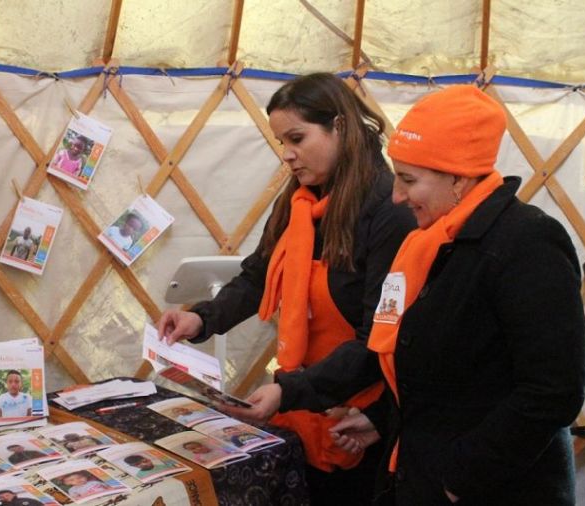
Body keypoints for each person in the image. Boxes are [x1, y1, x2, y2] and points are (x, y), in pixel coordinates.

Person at [227, 85, 585, 505]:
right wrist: (382, 419)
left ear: (457, 176)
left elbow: (552, 391)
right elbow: (429, 369)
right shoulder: (431, 243)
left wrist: (462, 477)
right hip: (420, 474)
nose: (397, 195)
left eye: (409, 180)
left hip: (493, 490)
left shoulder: (526, 242)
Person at [157, 72, 416, 504]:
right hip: (303, 396)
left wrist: (289, 391)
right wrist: (200, 317)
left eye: (297, 138)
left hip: (357, 413)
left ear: (341, 127)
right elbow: (258, 277)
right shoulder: (298, 202)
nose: (288, 155)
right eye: (281, 143)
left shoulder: (386, 209)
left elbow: (379, 339)